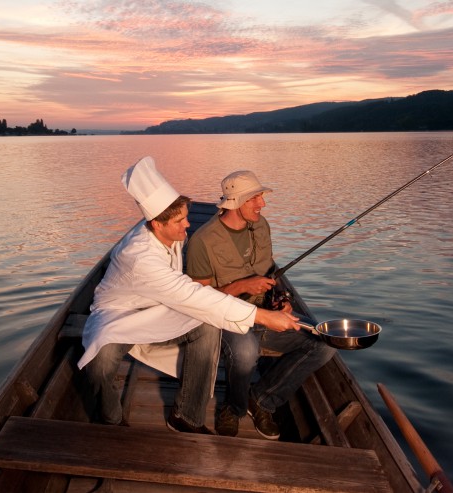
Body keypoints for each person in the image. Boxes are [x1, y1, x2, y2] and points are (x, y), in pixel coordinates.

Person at [76, 157, 300, 435]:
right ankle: (110, 421)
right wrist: (263, 316)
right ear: (157, 224)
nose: (188, 225)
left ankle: (187, 416)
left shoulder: (163, 235)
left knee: (205, 325)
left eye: (185, 216)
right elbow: (193, 295)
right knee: (100, 363)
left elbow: (187, 296)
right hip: (120, 315)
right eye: (181, 220)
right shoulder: (140, 257)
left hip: (161, 306)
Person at [186, 170, 336, 439]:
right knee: (246, 352)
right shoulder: (202, 241)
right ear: (235, 203)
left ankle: (262, 400)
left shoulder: (261, 225)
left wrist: (283, 299)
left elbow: (271, 274)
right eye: (254, 198)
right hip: (225, 319)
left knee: (325, 342)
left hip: (268, 313)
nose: (262, 204)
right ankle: (233, 408)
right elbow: (198, 298)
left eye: (261, 197)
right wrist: (240, 287)